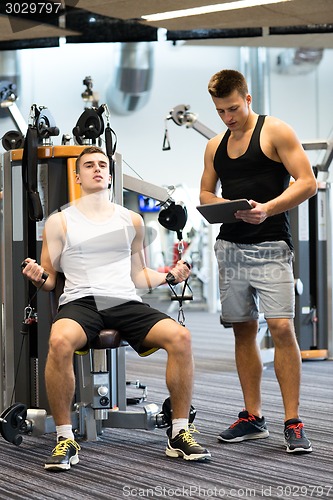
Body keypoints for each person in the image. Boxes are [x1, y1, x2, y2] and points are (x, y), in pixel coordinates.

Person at [22, 145, 211, 471]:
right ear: (78, 176)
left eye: (102, 166)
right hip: (81, 301)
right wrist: (39, 278)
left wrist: (169, 275)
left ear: (109, 176)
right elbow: (51, 279)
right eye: (89, 166)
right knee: (58, 341)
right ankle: (65, 438)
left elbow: (139, 275)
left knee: (181, 337)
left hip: (124, 301)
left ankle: (179, 432)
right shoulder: (60, 222)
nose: (97, 169)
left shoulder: (132, 220)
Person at [199, 69, 317, 453]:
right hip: (230, 247)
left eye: (233, 108)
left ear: (247, 99)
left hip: (270, 246)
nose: (228, 117)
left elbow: (307, 182)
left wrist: (266, 209)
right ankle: (253, 417)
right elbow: (205, 190)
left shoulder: (275, 131)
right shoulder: (215, 145)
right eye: (220, 111)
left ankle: (293, 421)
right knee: (242, 330)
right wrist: (227, 207)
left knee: (281, 328)